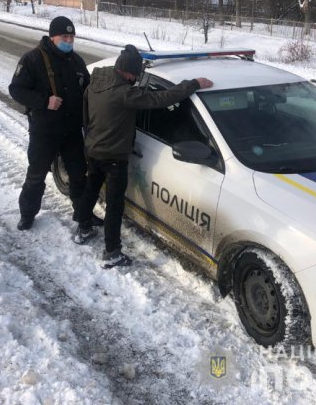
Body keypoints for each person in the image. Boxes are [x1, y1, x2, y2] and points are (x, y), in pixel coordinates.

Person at [75, 44, 214, 268]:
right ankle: (112, 252)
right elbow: (161, 100)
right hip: (113, 156)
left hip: (93, 149)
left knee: (92, 187)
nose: (137, 78)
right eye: (136, 74)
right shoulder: (124, 93)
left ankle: (82, 227)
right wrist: (193, 84)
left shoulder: (97, 82)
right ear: (128, 72)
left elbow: (85, 114)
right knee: (114, 206)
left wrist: (90, 139)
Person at [9, 16, 103, 230]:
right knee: (36, 175)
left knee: (79, 175)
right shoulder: (32, 59)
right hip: (45, 131)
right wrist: (44, 101)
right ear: (53, 37)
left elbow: (88, 90)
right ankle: (27, 214)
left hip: (71, 131)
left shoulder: (77, 61)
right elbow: (16, 90)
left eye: (72, 37)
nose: (69, 41)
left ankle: (82, 214)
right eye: (64, 37)